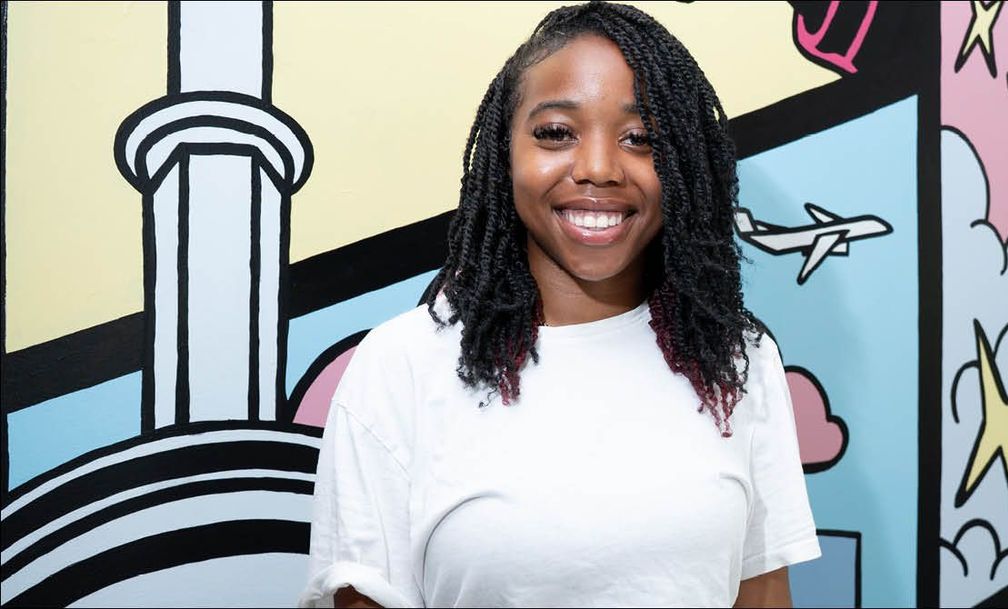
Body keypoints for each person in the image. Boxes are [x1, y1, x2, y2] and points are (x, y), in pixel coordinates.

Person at [298, 3, 820, 607]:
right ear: (505, 154)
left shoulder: (737, 360)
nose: (598, 168)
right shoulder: (402, 366)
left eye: (640, 138)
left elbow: (762, 598)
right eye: (556, 133)